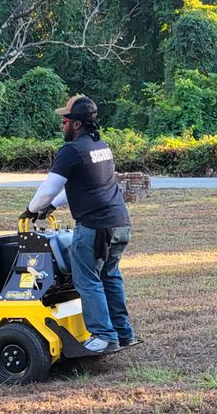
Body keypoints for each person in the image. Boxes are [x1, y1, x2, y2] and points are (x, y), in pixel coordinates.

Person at [25, 95, 137, 354]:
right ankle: (123, 333)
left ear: (76, 125)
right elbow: (84, 186)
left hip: (96, 227)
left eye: (64, 120)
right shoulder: (101, 146)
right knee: (110, 276)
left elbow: (47, 190)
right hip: (120, 223)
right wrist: (54, 206)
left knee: (86, 280)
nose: (62, 125)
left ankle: (103, 336)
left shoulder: (71, 151)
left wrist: (32, 210)